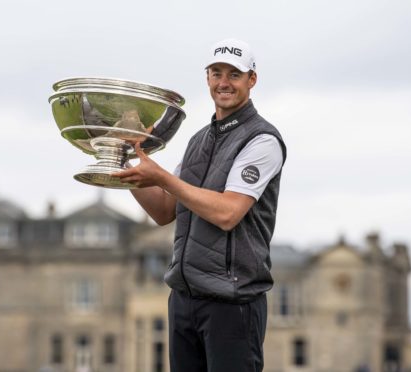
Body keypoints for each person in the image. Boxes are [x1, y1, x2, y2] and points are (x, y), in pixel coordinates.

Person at [114, 38, 287, 372]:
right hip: (183, 300)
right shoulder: (198, 141)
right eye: (216, 72)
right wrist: (122, 158)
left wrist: (162, 176)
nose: (224, 82)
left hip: (233, 304)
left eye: (234, 75)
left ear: (251, 80)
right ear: (207, 78)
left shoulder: (262, 141)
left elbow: (227, 213)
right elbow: (164, 210)